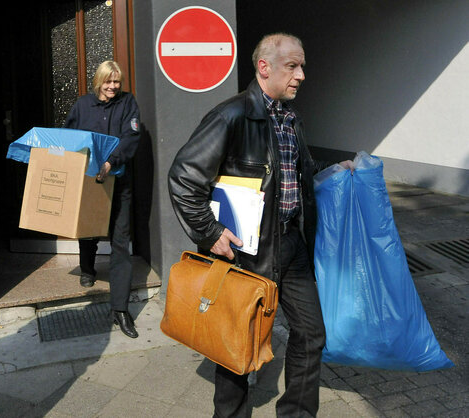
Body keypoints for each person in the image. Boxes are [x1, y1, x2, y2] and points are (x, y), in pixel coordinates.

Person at [168, 34, 352, 417]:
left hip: (290, 245)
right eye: (292, 66)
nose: (301, 75)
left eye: (302, 66)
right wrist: (210, 232)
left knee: (311, 334)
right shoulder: (232, 115)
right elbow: (184, 177)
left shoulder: (291, 119)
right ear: (264, 67)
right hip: (244, 251)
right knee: (236, 344)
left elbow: (296, 173)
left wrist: (334, 171)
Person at [64, 60, 141, 339]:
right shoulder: (82, 106)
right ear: (98, 82)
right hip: (89, 182)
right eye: (108, 82)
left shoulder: (128, 103)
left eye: (117, 82)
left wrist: (110, 162)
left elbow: (131, 137)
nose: (113, 87)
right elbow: (70, 136)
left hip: (119, 182)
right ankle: (87, 268)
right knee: (89, 228)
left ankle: (120, 308)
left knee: (121, 242)